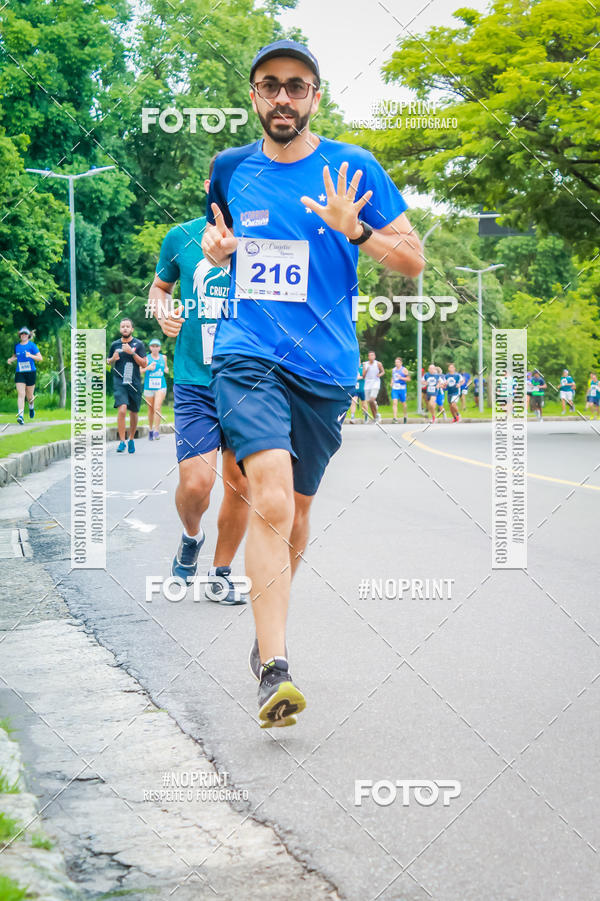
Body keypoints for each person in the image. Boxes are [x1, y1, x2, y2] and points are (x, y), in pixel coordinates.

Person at [202, 39, 423, 727]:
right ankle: (276, 668)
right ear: (253, 95)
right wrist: (216, 252)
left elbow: (412, 260)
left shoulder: (353, 167)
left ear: (316, 97)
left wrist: (356, 231)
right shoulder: (229, 169)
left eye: (297, 87)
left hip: (324, 369)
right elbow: (219, 239)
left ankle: (264, 632)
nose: (283, 98)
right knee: (266, 489)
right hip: (247, 354)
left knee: (294, 515)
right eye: (270, 86)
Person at [149, 158, 250, 606]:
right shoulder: (180, 237)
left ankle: (222, 572)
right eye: (219, 180)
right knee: (195, 485)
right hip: (195, 379)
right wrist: (161, 312)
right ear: (208, 185)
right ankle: (191, 537)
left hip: (250, 380)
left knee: (241, 483)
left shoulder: (265, 241)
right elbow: (159, 288)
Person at [107, 319, 146, 453]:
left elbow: (144, 364)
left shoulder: (138, 344)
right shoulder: (115, 344)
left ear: (132, 329)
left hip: (134, 382)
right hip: (119, 382)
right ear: (120, 329)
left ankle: (131, 439)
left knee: (134, 412)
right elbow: (108, 361)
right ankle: (122, 441)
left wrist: (132, 353)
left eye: (127, 326)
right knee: (122, 409)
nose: (125, 328)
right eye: (123, 326)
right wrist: (112, 359)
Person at [7, 327, 42, 424]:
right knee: (21, 394)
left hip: (31, 372)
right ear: (20, 335)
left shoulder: (32, 345)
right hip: (20, 372)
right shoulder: (17, 346)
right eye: (22, 334)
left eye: (25, 334)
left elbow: (40, 358)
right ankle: (21, 416)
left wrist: (30, 355)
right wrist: (11, 359)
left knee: (30, 396)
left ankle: (31, 408)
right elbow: (15, 356)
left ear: (28, 335)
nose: (23, 335)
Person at [143, 339, 168, 440]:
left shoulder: (164, 357)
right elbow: (140, 370)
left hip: (160, 386)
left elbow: (166, 368)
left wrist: (166, 369)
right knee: (150, 409)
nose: (155, 348)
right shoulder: (146, 358)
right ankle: (150, 429)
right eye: (153, 346)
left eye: (157, 346)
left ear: (159, 348)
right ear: (150, 348)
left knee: (157, 407)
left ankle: (157, 431)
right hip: (149, 386)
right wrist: (148, 368)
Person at [363, 350, 384, 422]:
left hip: (375, 382)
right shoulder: (365, 364)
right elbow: (363, 376)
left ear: (375, 356)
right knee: (369, 402)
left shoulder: (378, 363)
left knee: (372, 400)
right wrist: (366, 370)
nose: (372, 357)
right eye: (370, 355)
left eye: (373, 355)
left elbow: (383, 372)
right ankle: (375, 416)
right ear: (368, 357)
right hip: (367, 383)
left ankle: (377, 415)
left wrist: (379, 374)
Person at [390, 357, 410, 423]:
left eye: (398, 362)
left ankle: (405, 416)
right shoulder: (393, 370)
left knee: (403, 403)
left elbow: (408, 379)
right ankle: (395, 418)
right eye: (396, 362)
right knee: (394, 402)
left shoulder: (404, 370)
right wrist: (391, 382)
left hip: (402, 388)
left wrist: (401, 378)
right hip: (395, 388)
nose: (397, 363)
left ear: (401, 363)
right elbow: (393, 377)